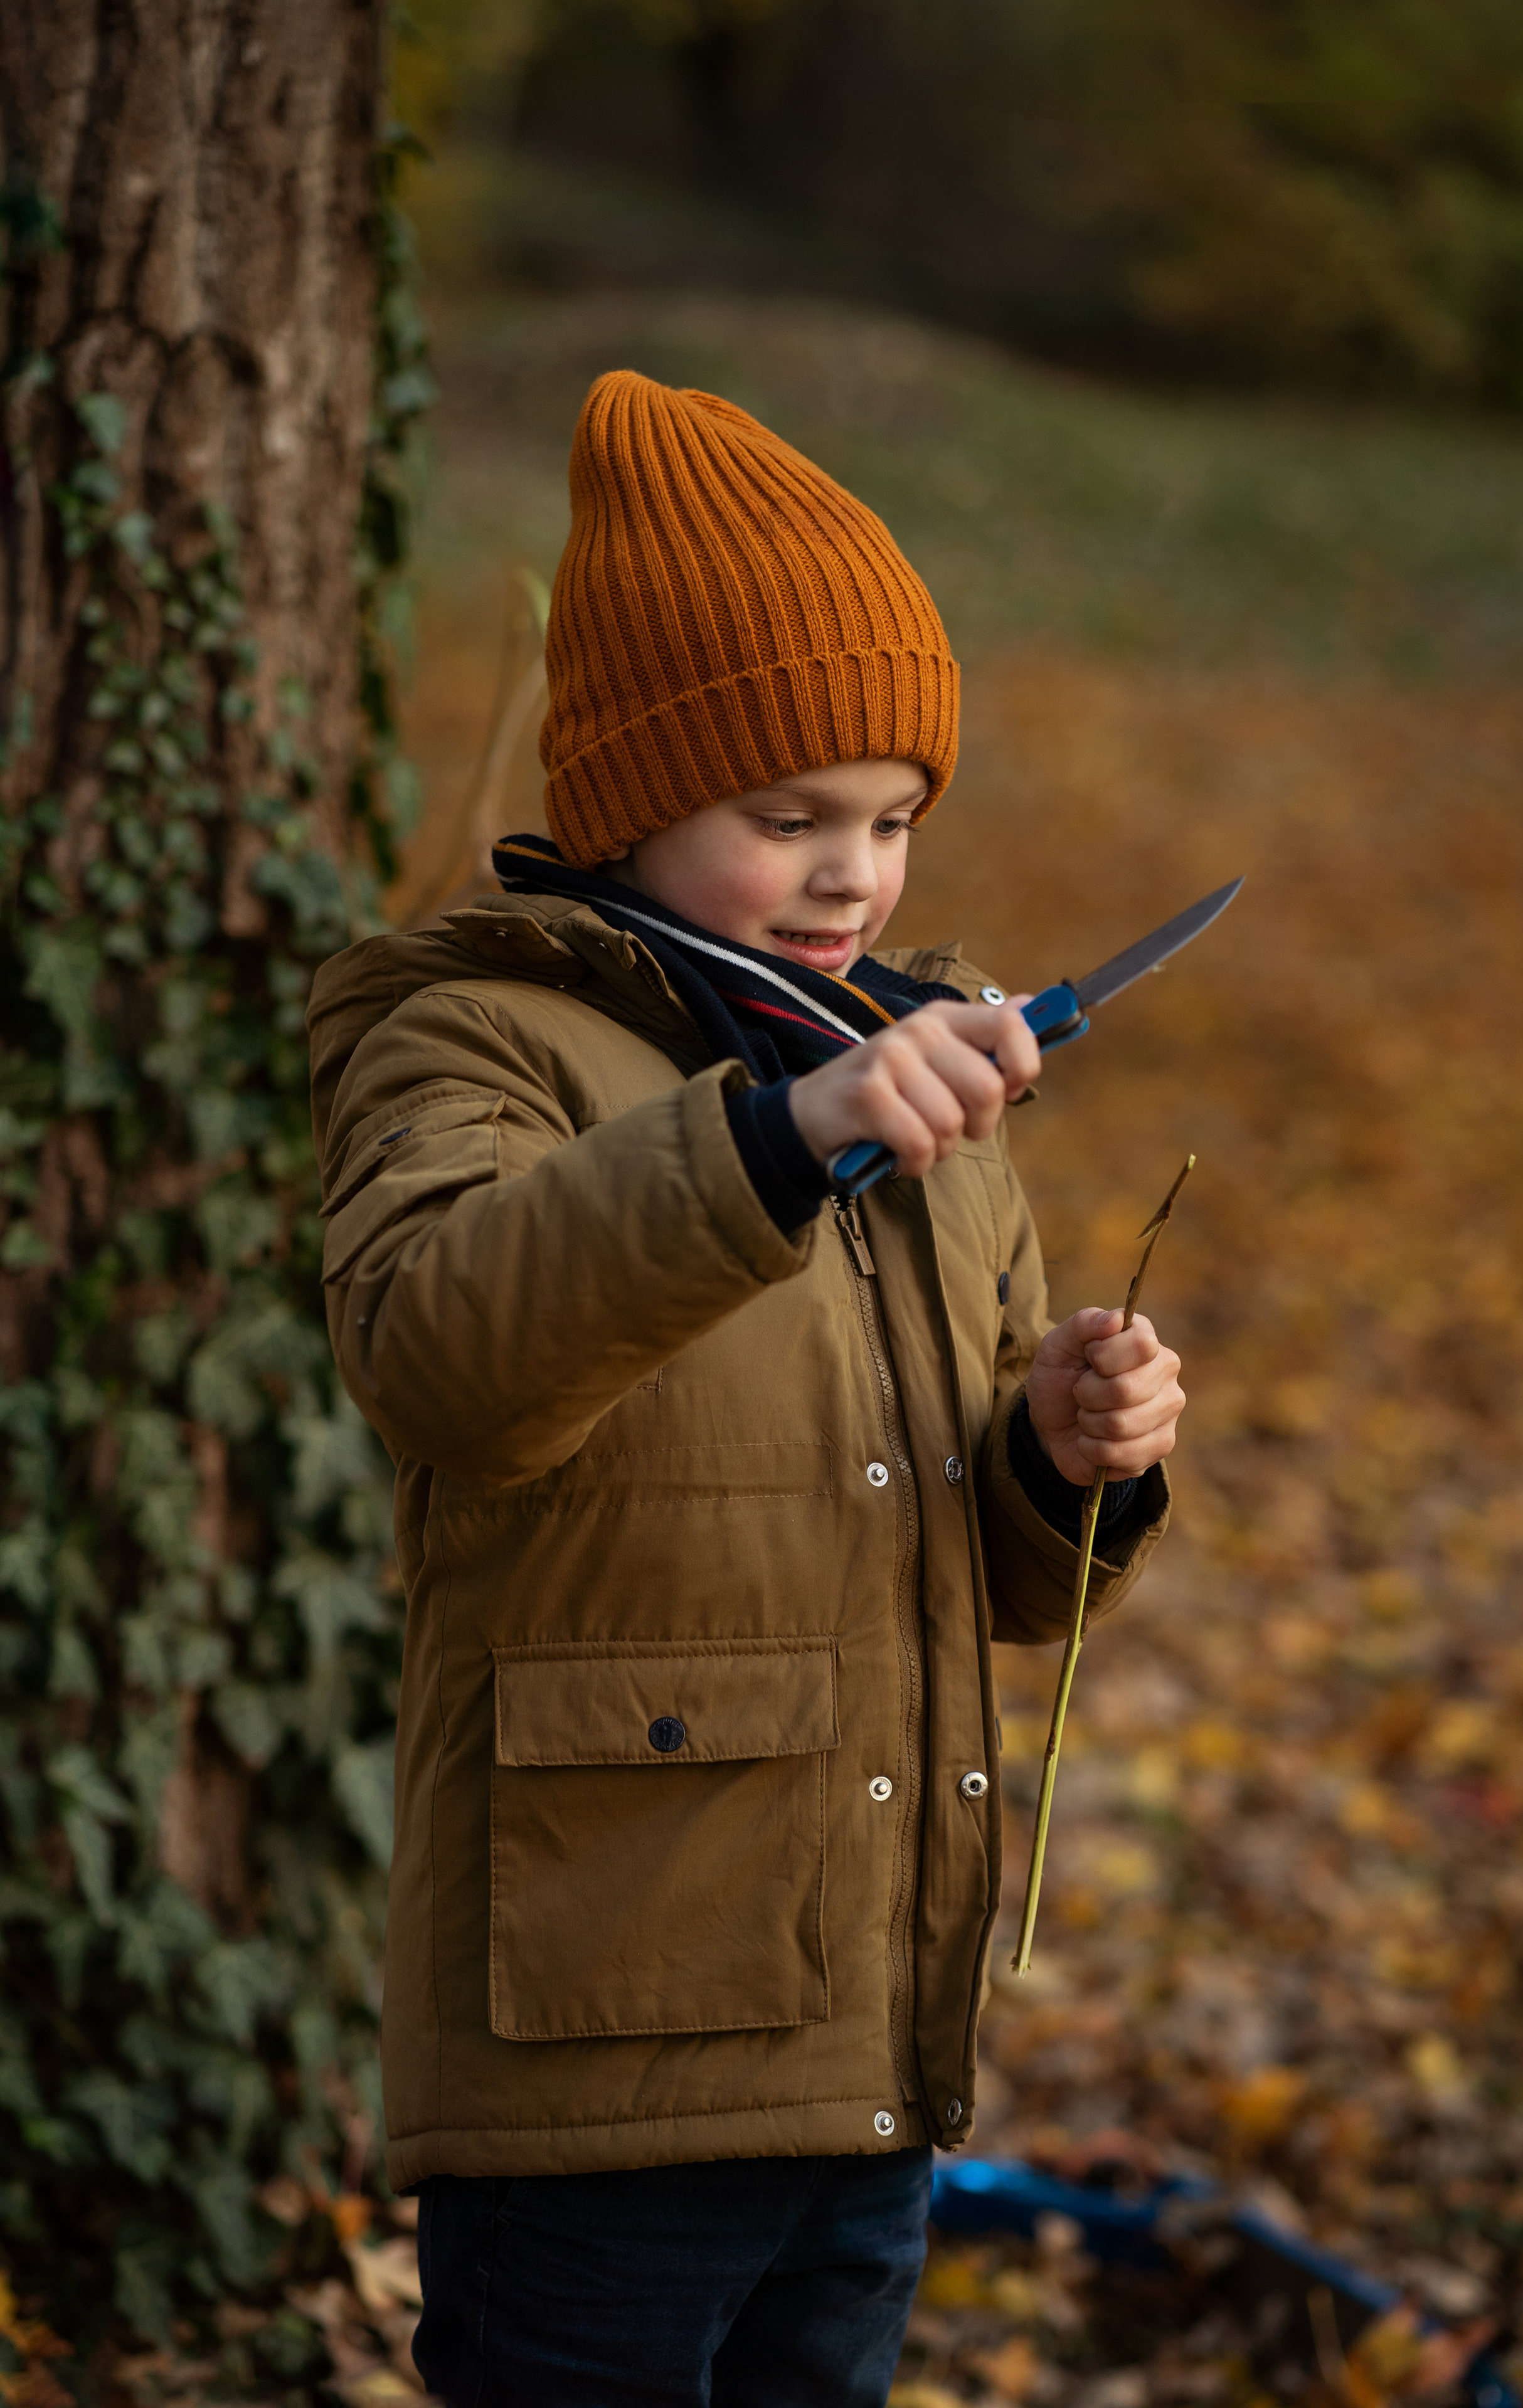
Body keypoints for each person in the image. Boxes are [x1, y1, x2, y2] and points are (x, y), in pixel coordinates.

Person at [307, 371, 1185, 2406]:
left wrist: (1066, 1459)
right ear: (628, 795)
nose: (848, 877)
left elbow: (1002, 1585)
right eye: (783, 817)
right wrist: (781, 1137)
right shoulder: (478, 1043)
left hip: (867, 2037)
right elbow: (440, 1349)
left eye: (888, 822)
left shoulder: (919, 1077)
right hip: (604, 2033)